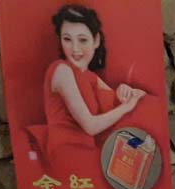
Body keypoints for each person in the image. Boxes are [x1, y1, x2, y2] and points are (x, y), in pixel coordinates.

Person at [42, 5, 145, 179]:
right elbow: (90, 126)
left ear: (96, 40)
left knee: (135, 165)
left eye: (82, 40)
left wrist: (124, 90)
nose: (75, 49)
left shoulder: (89, 77)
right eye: (67, 39)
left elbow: (132, 97)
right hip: (68, 153)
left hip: (90, 152)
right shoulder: (61, 71)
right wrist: (126, 107)